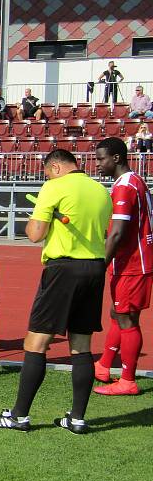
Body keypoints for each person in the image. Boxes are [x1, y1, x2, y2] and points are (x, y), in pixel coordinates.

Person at [0, 149, 111, 434]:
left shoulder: (53, 187)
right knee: (81, 345)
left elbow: (34, 234)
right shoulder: (101, 190)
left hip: (63, 270)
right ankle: (77, 418)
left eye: (46, 172)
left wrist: (40, 217)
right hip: (94, 269)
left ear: (54, 167)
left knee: (36, 342)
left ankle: (19, 416)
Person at [93, 137, 152, 396]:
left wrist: (98, 266)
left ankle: (127, 379)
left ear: (116, 158)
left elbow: (116, 233)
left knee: (127, 319)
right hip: (133, 260)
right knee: (117, 314)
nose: (97, 164)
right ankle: (105, 365)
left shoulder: (124, 187)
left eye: (101, 159)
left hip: (132, 263)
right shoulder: (134, 180)